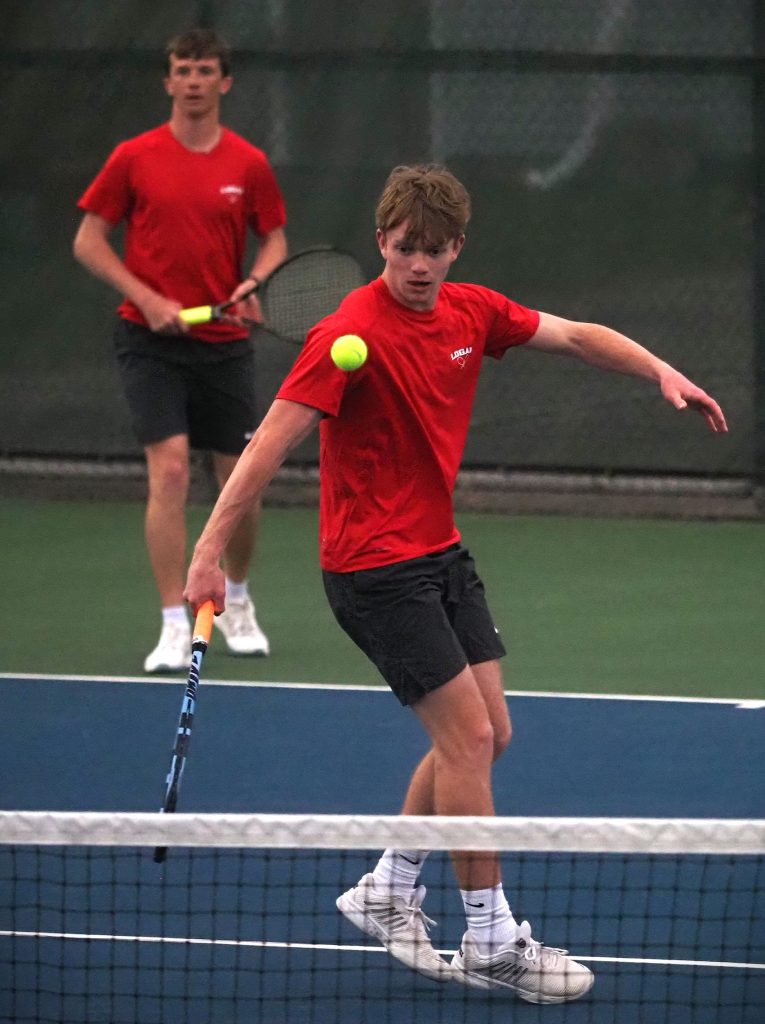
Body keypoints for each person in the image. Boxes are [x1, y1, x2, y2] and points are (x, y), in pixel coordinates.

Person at [183, 164, 727, 1002]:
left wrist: (659, 368)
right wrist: (208, 552)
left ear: (455, 249)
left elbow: (577, 334)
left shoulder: (472, 311)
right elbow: (266, 448)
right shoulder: (344, 335)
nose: (419, 267)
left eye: (434, 252)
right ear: (382, 243)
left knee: (486, 736)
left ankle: (389, 890)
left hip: (438, 552)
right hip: (371, 569)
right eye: (405, 251)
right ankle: (490, 937)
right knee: (467, 742)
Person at [73, 28, 287, 673]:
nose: (193, 81)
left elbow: (274, 240)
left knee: (238, 484)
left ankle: (238, 599)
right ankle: (173, 620)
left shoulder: (248, 163)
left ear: (224, 83)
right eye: (182, 70)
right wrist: (147, 298)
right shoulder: (133, 158)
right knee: (168, 471)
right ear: (168, 82)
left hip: (223, 343)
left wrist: (252, 283)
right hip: (148, 342)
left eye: (204, 71)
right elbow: (89, 241)